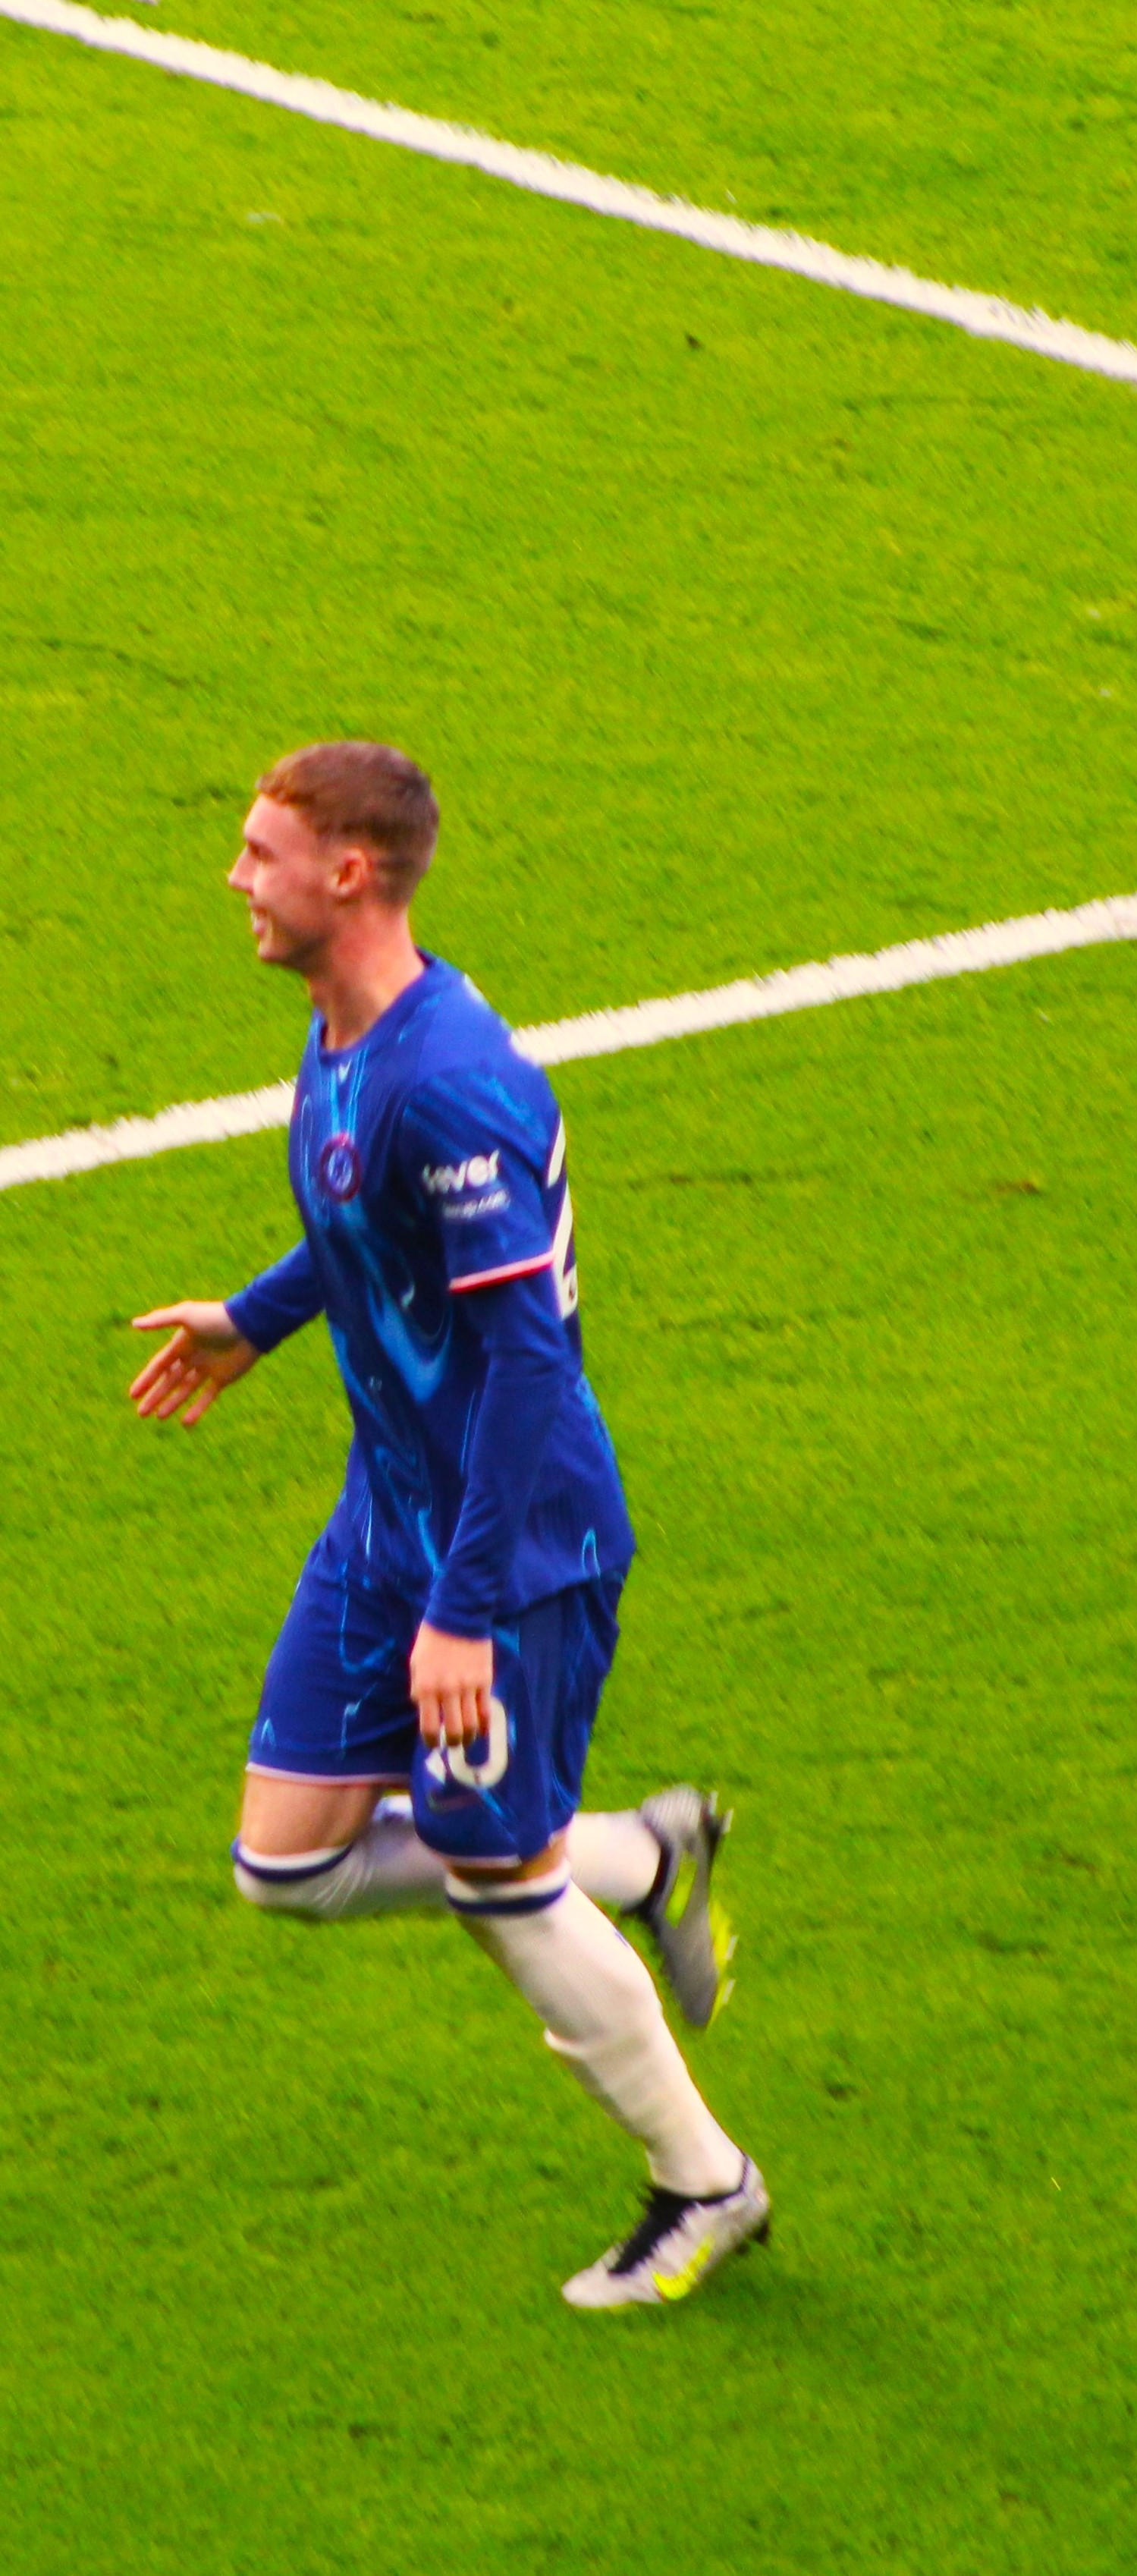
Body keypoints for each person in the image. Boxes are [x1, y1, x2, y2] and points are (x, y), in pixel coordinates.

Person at [131, 741, 768, 2301]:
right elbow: (367, 1225)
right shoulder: (346, 1033)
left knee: (498, 1883)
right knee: (286, 1865)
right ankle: (642, 1856)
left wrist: (464, 1611)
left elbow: (529, 1365)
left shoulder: (453, 1085)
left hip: (515, 1543)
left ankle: (707, 2184)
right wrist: (256, 1319)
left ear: (350, 873)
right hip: (391, 1515)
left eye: (261, 852)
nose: (235, 877)